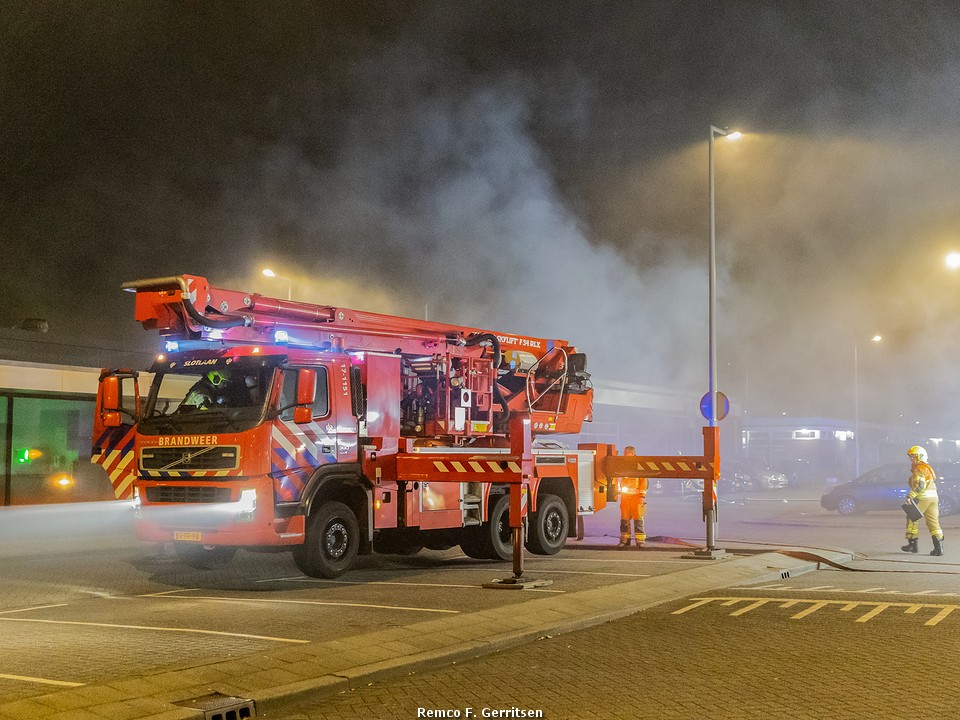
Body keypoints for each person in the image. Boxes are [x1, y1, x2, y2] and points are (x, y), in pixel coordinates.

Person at [901, 445, 945, 556]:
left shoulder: (919, 468)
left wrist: (910, 496)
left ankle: (912, 545)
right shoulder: (927, 468)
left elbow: (919, 485)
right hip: (933, 498)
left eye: (913, 456)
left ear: (920, 457)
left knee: (912, 518)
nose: (911, 459)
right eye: (910, 457)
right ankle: (939, 548)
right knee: (933, 523)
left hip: (923, 498)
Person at [617, 446, 649, 549]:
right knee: (624, 520)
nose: (625, 455)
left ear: (632, 453)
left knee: (638, 519)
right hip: (625, 497)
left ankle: (640, 540)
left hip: (636, 497)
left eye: (627, 453)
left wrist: (642, 496)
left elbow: (643, 482)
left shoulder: (638, 465)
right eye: (624, 453)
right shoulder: (622, 465)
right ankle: (624, 540)